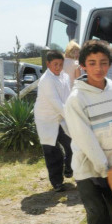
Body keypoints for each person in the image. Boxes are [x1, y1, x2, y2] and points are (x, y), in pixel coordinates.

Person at [64, 39, 112, 224]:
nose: (98, 68)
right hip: (89, 170)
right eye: (92, 63)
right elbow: (85, 139)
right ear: (82, 66)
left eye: (103, 62)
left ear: (110, 64)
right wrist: (104, 169)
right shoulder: (76, 99)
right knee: (98, 219)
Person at [34, 50, 73, 192]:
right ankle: (57, 182)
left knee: (72, 145)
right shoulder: (46, 80)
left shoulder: (65, 77)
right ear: (48, 64)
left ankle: (68, 168)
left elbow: (68, 97)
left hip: (62, 118)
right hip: (46, 120)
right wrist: (72, 116)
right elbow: (56, 102)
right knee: (52, 152)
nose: (58, 67)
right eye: (55, 64)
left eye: (61, 64)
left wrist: (74, 112)